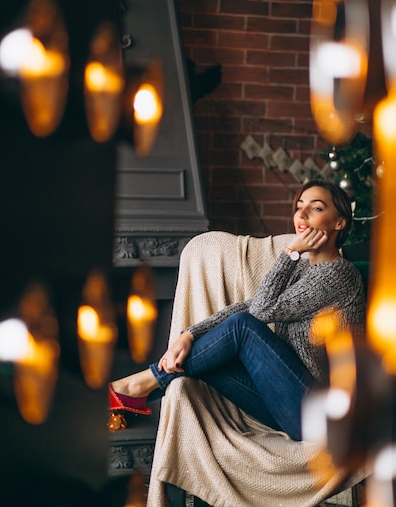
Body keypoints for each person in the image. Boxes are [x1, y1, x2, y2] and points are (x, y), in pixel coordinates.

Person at [109, 180, 366, 441]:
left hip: (323, 417)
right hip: (285, 403)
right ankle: (138, 393)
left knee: (242, 326)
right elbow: (252, 306)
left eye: (316, 208)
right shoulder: (301, 266)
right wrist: (188, 335)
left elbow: (261, 311)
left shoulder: (339, 274)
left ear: (340, 222)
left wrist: (289, 252)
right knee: (213, 358)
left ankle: (137, 387)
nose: (302, 215)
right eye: (299, 207)